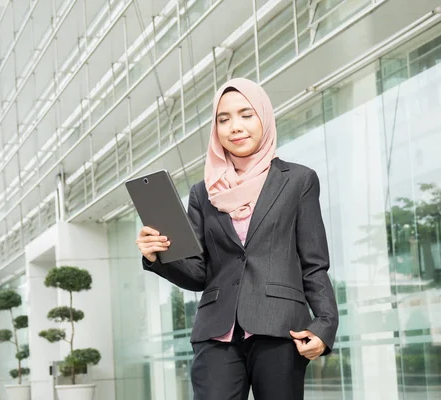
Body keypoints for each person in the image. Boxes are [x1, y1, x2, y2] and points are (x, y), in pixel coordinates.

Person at [135, 78, 339, 400]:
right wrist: (155, 256)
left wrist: (325, 326)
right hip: (216, 331)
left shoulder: (298, 180)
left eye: (246, 115)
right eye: (223, 119)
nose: (235, 127)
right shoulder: (203, 193)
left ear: (264, 118)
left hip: (280, 328)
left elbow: (314, 264)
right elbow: (200, 273)